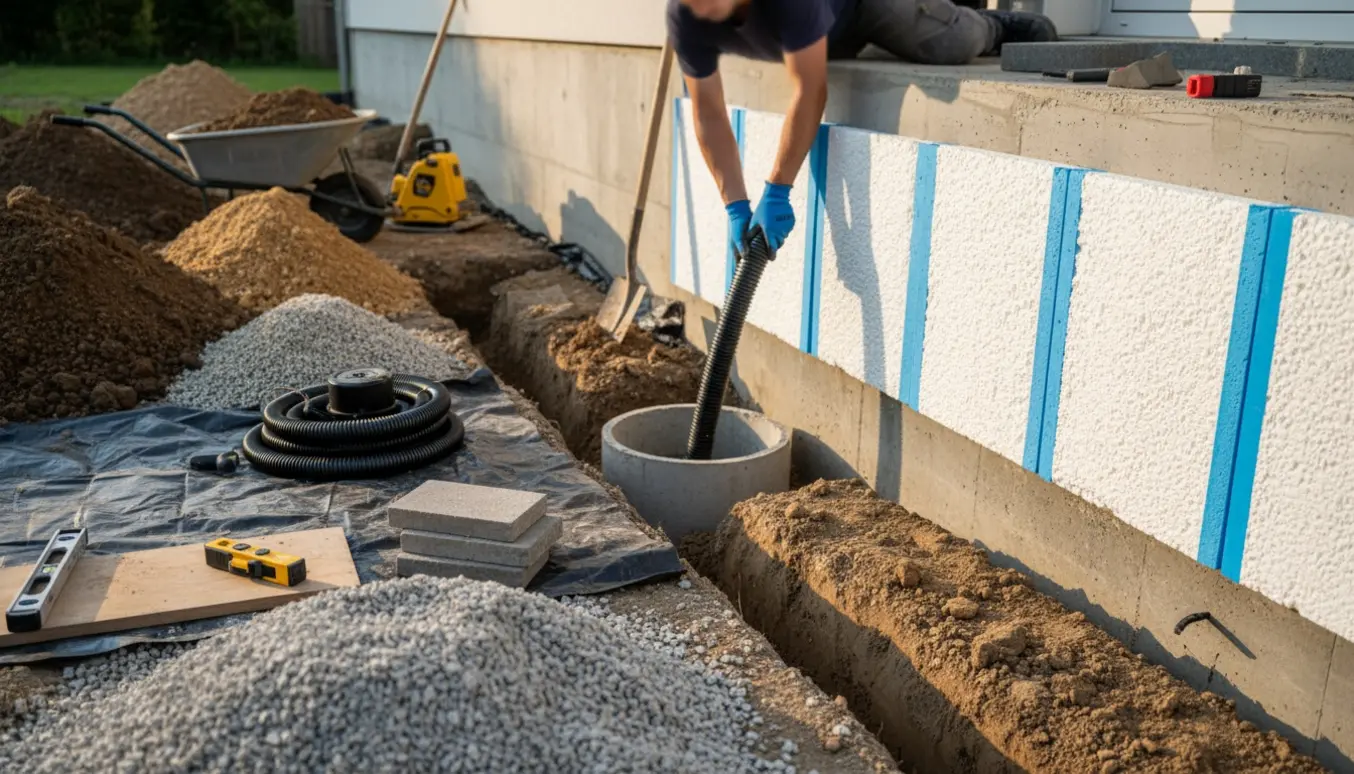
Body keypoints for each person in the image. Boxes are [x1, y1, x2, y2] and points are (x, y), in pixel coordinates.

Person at [669, 0, 1057, 254]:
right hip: (823, 34)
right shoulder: (686, 15)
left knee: (952, 43)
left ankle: (993, 25)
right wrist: (735, 206)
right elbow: (708, 112)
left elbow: (811, 89)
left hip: (860, 6)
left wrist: (777, 189)